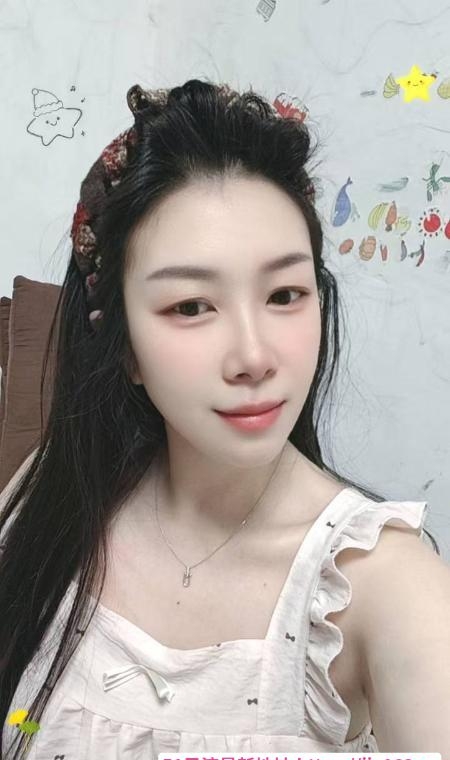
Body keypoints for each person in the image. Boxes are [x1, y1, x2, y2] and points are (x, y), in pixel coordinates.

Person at [0, 79, 449, 759]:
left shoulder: (378, 586)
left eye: (285, 294)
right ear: (122, 343)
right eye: (191, 306)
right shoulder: (54, 500)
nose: (254, 357)